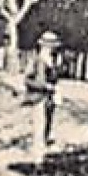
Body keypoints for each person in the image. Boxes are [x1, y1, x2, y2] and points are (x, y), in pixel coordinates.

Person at [23, 31, 61, 162]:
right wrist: (44, 86)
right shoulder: (36, 60)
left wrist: (54, 89)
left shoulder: (53, 62)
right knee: (39, 127)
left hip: (49, 99)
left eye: (53, 46)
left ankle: (42, 156)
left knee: (47, 127)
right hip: (38, 98)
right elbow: (27, 80)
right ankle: (37, 158)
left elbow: (54, 80)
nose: (52, 49)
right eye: (49, 46)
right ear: (43, 46)